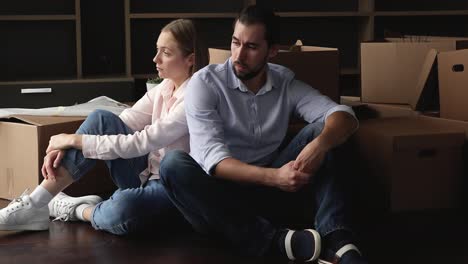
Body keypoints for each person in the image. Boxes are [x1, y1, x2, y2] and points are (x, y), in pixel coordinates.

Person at [159, 6, 366, 264]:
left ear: (272, 51)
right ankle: (274, 241)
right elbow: (213, 159)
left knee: (324, 132)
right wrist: (275, 177)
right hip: (219, 200)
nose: (239, 55)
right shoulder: (205, 83)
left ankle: (337, 239)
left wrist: (320, 145)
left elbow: (343, 115)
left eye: (252, 47)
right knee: (173, 165)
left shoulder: (284, 82)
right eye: (236, 43)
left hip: (271, 194)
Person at [0, 18, 209, 235]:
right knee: (101, 119)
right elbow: (123, 121)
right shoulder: (165, 87)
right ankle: (36, 203)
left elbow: (141, 142)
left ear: (190, 59)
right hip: (145, 173)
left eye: (166, 53)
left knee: (123, 209)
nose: (155, 59)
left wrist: (73, 140)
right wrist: (64, 145)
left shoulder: (195, 98)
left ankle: (77, 209)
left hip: (171, 188)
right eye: (157, 50)